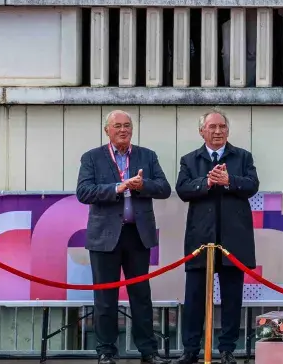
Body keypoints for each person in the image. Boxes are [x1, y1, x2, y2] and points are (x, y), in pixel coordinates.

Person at [76, 111, 174, 364]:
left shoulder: (147, 156)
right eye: (117, 126)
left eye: (127, 126)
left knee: (141, 296)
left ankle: (148, 351)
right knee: (105, 298)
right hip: (105, 237)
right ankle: (107, 351)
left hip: (137, 235)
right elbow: (83, 192)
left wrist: (143, 186)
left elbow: (164, 188)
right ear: (107, 130)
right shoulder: (92, 157)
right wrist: (116, 188)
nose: (123, 130)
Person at [176, 110, 259, 364]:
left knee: (232, 298)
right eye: (212, 127)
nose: (218, 131)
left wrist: (228, 180)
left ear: (228, 130)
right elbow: (182, 189)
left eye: (222, 126)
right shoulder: (190, 159)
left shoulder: (242, 156)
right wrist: (207, 183)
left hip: (234, 239)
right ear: (202, 131)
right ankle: (191, 349)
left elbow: (252, 184)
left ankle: (227, 349)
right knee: (195, 298)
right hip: (201, 240)